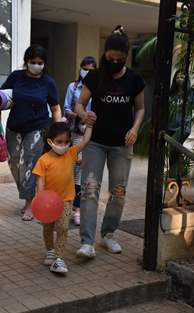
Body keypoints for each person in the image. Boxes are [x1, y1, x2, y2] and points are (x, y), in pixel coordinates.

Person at [75, 25, 146, 258]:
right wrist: (84, 115)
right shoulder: (95, 77)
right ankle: (86, 242)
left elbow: (140, 108)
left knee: (118, 192)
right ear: (105, 53)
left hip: (121, 144)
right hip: (95, 142)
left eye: (118, 59)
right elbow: (79, 104)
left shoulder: (134, 79)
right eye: (110, 57)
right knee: (90, 189)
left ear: (126, 57)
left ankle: (108, 235)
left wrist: (135, 128)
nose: (113, 61)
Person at [1, 45, 61, 221]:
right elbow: (3, 97)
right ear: (26, 62)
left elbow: (55, 108)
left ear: (44, 64)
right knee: (14, 164)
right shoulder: (16, 77)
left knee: (29, 164)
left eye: (40, 63)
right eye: (32, 62)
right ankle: (29, 194)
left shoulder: (48, 82)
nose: (36, 65)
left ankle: (29, 204)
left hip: (37, 128)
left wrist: (58, 133)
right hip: (14, 127)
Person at [33, 122, 93, 274]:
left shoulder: (71, 153)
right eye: (59, 142)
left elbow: (85, 141)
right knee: (47, 227)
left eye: (66, 142)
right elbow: (39, 180)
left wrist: (90, 125)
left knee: (63, 227)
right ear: (50, 141)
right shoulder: (43, 160)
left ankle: (59, 258)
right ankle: (50, 250)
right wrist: (40, 200)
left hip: (66, 199)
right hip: (48, 203)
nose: (63, 145)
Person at [64, 56, 97, 226]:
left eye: (92, 70)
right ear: (80, 69)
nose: (88, 72)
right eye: (85, 68)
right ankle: (75, 209)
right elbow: (66, 109)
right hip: (77, 133)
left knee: (89, 173)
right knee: (76, 172)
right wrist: (80, 115)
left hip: (94, 134)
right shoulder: (73, 86)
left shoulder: (99, 87)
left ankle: (82, 209)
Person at [168, 71, 194, 178]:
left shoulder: (190, 93)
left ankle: (176, 174)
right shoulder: (171, 93)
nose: (180, 78)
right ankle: (175, 176)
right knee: (174, 152)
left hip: (183, 127)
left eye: (182, 76)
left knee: (173, 148)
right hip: (170, 127)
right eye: (178, 76)